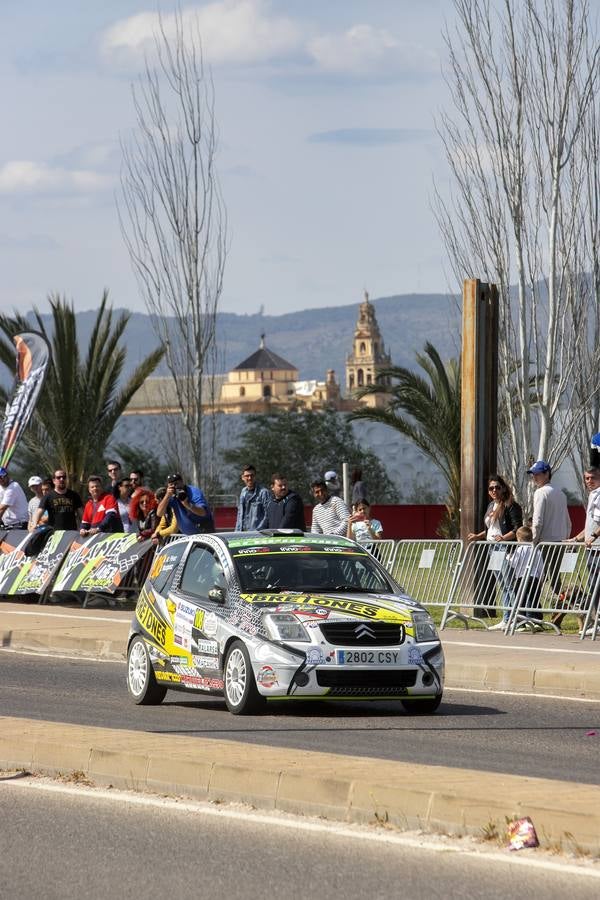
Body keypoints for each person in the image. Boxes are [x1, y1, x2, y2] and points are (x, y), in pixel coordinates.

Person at [466, 474, 523, 617]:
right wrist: (478, 536)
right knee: (503, 585)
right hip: (492, 548)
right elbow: (490, 530)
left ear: (503, 488)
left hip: (505, 548)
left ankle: (515, 617)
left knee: (510, 584)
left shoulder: (511, 505)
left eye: (497, 487)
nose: (494, 490)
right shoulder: (491, 505)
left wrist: (503, 538)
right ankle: (506, 618)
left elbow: (518, 529)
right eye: (491, 488)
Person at [528, 459, 571, 595]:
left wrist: (533, 541)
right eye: (533, 474)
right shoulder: (561, 493)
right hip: (559, 541)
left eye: (538, 474)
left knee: (537, 576)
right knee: (554, 577)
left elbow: (537, 521)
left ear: (547, 474)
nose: (534, 477)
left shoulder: (540, 493)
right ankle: (561, 604)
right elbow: (568, 522)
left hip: (544, 542)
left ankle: (533, 607)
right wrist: (565, 538)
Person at [565, 466, 600, 632]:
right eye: (586, 478)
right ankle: (596, 621)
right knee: (593, 587)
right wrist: (576, 538)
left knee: (596, 586)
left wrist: (593, 536)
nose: (589, 481)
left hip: (597, 548)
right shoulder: (593, 495)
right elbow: (590, 526)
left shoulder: (599, 495)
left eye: (593, 478)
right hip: (591, 548)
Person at [492, 525, 544, 630]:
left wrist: (508, 558)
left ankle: (522, 622)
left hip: (521, 577)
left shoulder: (519, 550)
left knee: (521, 600)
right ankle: (537, 621)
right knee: (534, 599)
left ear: (519, 538)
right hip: (534, 577)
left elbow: (514, 563)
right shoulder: (536, 549)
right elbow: (540, 566)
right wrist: (541, 578)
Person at [235, 464, 271, 532]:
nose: (249, 478)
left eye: (252, 475)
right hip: (241, 534)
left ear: (255, 476)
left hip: (257, 536)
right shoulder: (243, 492)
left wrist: (258, 531)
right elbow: (239, 515)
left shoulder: (264, 493)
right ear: (242, 477)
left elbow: (268, 516)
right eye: (247, 476)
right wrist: (236, 532)